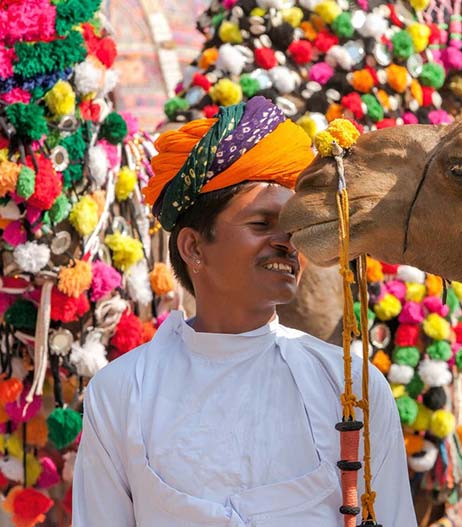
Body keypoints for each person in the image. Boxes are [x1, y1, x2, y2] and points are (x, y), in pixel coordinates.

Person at [73, 96, 416, 526]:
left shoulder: (350, 387)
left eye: (294, 228)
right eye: (261, 224)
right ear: (194, 247)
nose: (287, 242)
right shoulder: (121, 394)